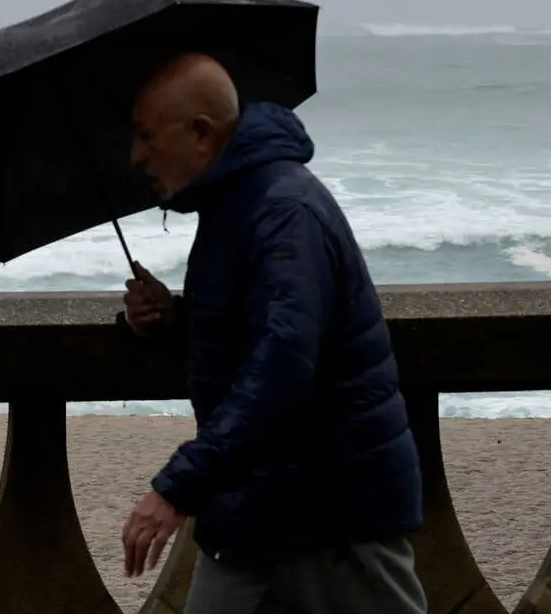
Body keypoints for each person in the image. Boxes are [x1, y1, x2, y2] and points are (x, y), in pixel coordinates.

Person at [117, 52, 427, 614]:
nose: (137, 155)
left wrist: (177, 487)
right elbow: (260, 329)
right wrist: (173, 322)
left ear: (201, 132)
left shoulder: (283, 210)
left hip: (334, 513)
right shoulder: (238, 205)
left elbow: (283, 364)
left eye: (146, 136)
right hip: (257, 507)